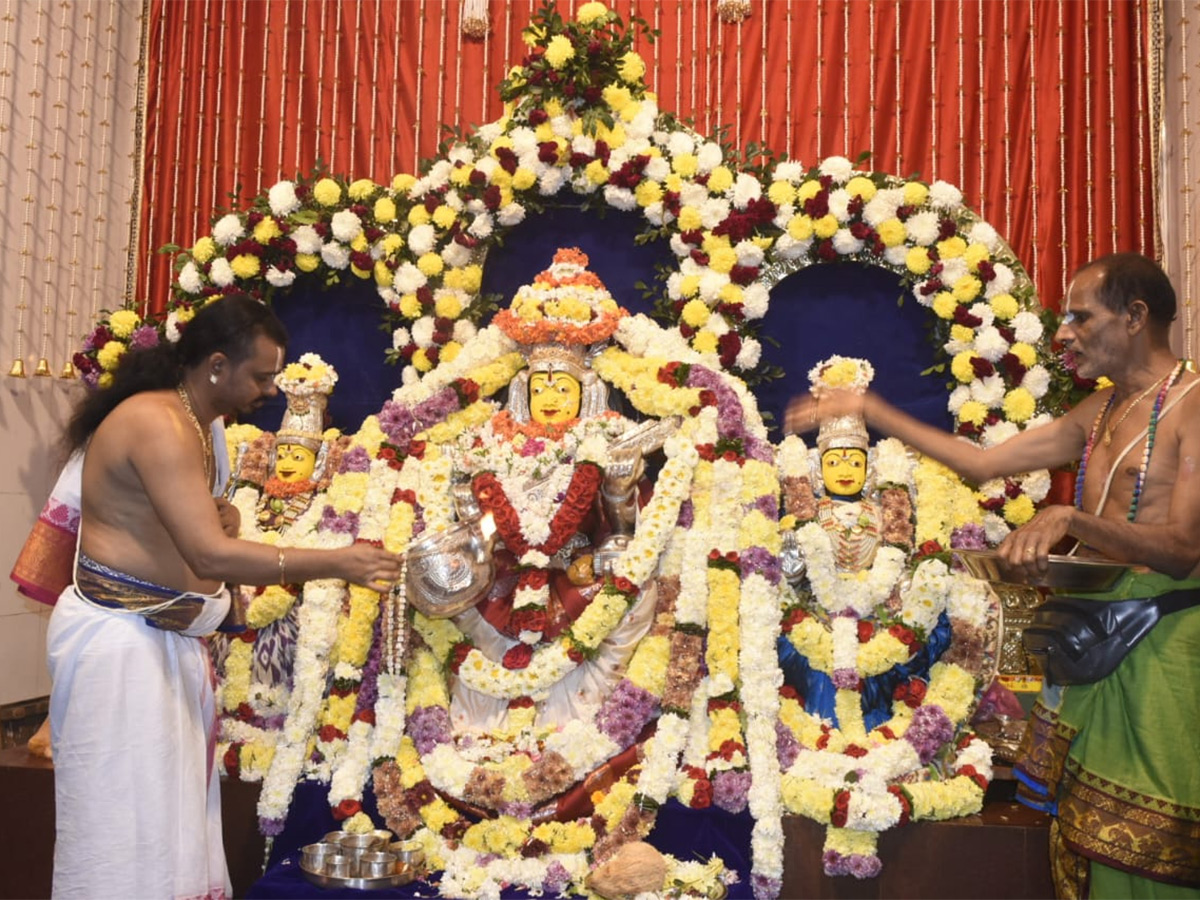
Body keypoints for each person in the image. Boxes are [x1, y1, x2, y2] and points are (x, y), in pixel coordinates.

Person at [784, 252, 1200, 899]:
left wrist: (1073, 520)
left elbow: (1182, 549)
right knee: (1085, 838)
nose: (1063, 334)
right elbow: (983, 466)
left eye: (1080, 318)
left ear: (1135, 316)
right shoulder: (1101, 411)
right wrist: (870, 409)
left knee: (1152, 847)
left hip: (1164, 651)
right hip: (1097, 647)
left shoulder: (1192, 405)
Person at [47, 293, 401, 900]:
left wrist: (223, 516)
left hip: (166, 643)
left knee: (167, 826)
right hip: (120, 646)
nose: (268, 389)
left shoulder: (202, 424)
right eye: (260, 375)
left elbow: (190, 527)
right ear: (216, 364)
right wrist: (337, 562)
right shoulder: (155, 421)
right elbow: (209, 556)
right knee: (119, 828)